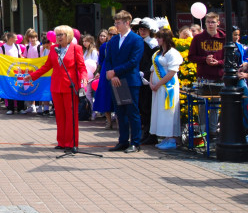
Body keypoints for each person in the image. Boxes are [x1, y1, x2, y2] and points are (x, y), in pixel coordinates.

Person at [29, 25, 87, 152]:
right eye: (57, 35)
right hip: (56, 86)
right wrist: (32, 76)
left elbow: (82, 67)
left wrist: (84, 79)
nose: (59, 37)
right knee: (60, 116)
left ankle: (71, 143)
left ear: (68, 36)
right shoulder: (54, 48)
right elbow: (47, 66)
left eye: (61, 35)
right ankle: (61, 142)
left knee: (70, 116)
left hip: (70, 86)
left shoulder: (76, 48)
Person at [95, 11, 145, 153]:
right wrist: (112, 74)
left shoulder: (136, 40)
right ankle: (123, 141)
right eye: (115, 22)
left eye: (118, 22)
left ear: (127, 23)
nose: (116, 25)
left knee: (132, 112)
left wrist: (116, 72)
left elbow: (133, 61)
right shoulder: (113, 41)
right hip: (116, 80)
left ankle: (135, 142)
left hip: (129, 80)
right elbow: (108, 59)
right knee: (120, 112)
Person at [149, 29, 183, 151]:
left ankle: (172, 138)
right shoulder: (158, 53)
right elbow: (153, 69)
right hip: (158, 88)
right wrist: (151, 83)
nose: (157, 40)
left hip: (168, 88)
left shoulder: (173, 53)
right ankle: (165, 137)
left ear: (165, 39)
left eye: (159, 37)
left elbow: (172, 72)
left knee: (169, 111)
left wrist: (158, 84)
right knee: (160, 111)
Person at [188, 12, 225, 86]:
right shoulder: (198, 38)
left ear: (218, 23)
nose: (210, 24)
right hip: (203, 77)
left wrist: (218, 62)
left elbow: (230, 59)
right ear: (205, 23)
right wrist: (205, 59)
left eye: (213, 22)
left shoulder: (224, 38)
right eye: (208, 22)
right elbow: (191, 57)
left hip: (220, 76)